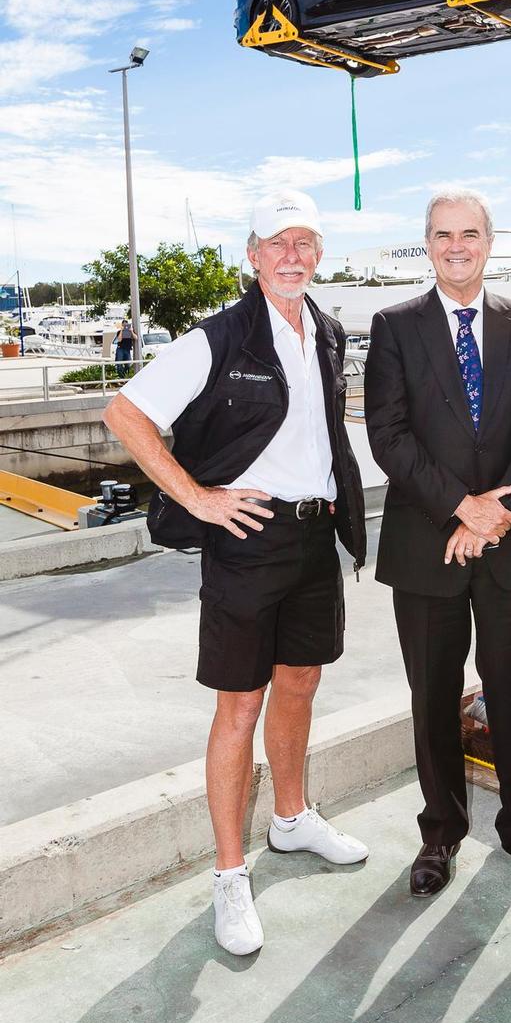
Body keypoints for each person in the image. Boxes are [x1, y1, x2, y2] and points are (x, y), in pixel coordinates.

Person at [103, 188, 367, 958]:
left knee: (301, 682)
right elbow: (125, 414)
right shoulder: (218, 336)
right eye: (277, 242)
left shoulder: (327, 331)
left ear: (318, 256)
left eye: (306, 243)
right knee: (239, 706)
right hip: (246, 542)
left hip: (314, 541)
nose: (293, 255)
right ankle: (228, 872)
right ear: (252, 255)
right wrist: (198, 499)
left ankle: (290, 819)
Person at [364, 190, 511, 898]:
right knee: (433, 697)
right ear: (427, 243)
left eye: (470, 233)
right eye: (443, 234)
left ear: (490, 242)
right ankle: (441, 832)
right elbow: (388, 436)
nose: (457, 245)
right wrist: (460, 507)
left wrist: (497, 511)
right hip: (428, 546)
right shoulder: (393, 326)